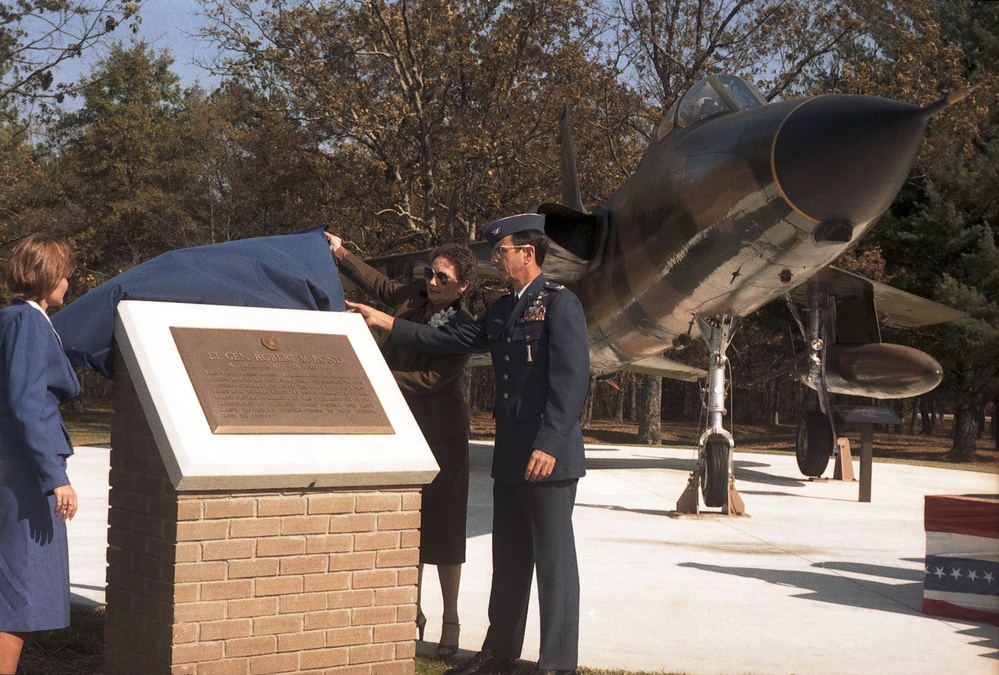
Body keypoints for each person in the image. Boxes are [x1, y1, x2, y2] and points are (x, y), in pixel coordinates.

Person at [347, 213, 590, 675]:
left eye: (502, 251)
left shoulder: (560, 305)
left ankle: (558, 663)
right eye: (495, 251)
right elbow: (445, 338)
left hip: (547, 457)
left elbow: (572, 377)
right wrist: (383, 320)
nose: (495, 258)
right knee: (510, 561)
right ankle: (499, 654)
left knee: (554, 566)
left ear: (528, 253)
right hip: (511, 456)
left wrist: (552, 441)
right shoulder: (500, 310)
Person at [328, 232, 476, 659]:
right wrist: (339, 251)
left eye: (442, 277)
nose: (432, 281)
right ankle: (408, 613)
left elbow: (430, 381)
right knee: (406, 526)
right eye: (430, 272)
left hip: (442, 436)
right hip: (401, 431)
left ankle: (450, 620)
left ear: (463, 285)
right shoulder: (411, 296)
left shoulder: (463, 328)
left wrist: (372, 374)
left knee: (445, 533)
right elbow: (378, 285)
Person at [0, 234, 81, 675]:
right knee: (20, 592)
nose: (68, 283)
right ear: (50, 277)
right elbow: (27, 402)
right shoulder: (29, 323)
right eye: (65, 274)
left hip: (10, 463)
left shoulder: (9, 319)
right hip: (26, 470)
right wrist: (56, 475)